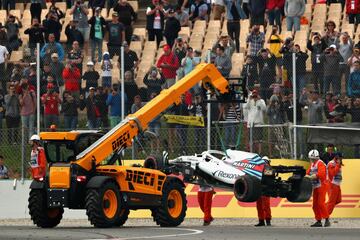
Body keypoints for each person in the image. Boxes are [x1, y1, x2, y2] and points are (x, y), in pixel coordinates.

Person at [307, 149, 330, 227]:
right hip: (316, 186)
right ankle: (318, 221)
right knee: (315, 205)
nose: (312, 160)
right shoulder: (312, 164)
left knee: (320, 203)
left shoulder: (320, 163)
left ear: (316, 157)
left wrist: (314, 176)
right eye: (311, 158)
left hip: (323, 185)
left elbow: (322, 174)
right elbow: (308, 172)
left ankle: (327, 219)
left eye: (313, 159)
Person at [255, 156, 272, 226]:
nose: (265, 163)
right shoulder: (257, 168)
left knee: (265, 205)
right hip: (259, 188)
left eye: (266, 161)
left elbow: (268, 179)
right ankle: (262, 220)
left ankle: (267, 220)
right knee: (260, 206)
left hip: (265, 189)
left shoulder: (268, 168)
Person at [327, 152, 343, 216]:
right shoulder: (331, 163)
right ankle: (325, 215)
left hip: (337, 184)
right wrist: (338, 165)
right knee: (332, 202)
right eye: (340, 158)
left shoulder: (336, 163)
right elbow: (333, 173)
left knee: (338, 200)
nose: (341, 159)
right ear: (337, 158)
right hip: (332, 184)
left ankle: (322, 208)